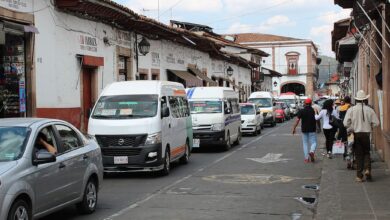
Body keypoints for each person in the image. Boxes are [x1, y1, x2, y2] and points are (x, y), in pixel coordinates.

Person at [343, 90, 379, 182]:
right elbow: (377, 123)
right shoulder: (370, 110)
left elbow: (345, 123)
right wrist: (370, 126)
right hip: (366, 134)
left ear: (356, 100)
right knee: (367, 152)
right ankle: (367, 169)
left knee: (359, 155)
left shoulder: (351, 109)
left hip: (356, 134)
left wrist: (352, 126)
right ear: (364, 100)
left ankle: (359, 176)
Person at [292, 98, 317, 163]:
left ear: (305, 104)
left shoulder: (301, 111)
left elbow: (297, 120)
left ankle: (306, 158)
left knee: (305, 143)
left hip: (304, 129)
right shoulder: (313, 110)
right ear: (311, 103)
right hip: (312, 129)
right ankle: (312, 151)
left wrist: (294, 128)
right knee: (313, 142)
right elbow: (316, 118)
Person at [338, 96, 352, 163]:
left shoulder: (341, 107)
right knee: (350, 141)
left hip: (342, 126)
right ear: (350, 100)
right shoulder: (350, 107)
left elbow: (340, 117)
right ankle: (350, 155)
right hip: (349, 126)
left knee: (344, 141)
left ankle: (345, 154)